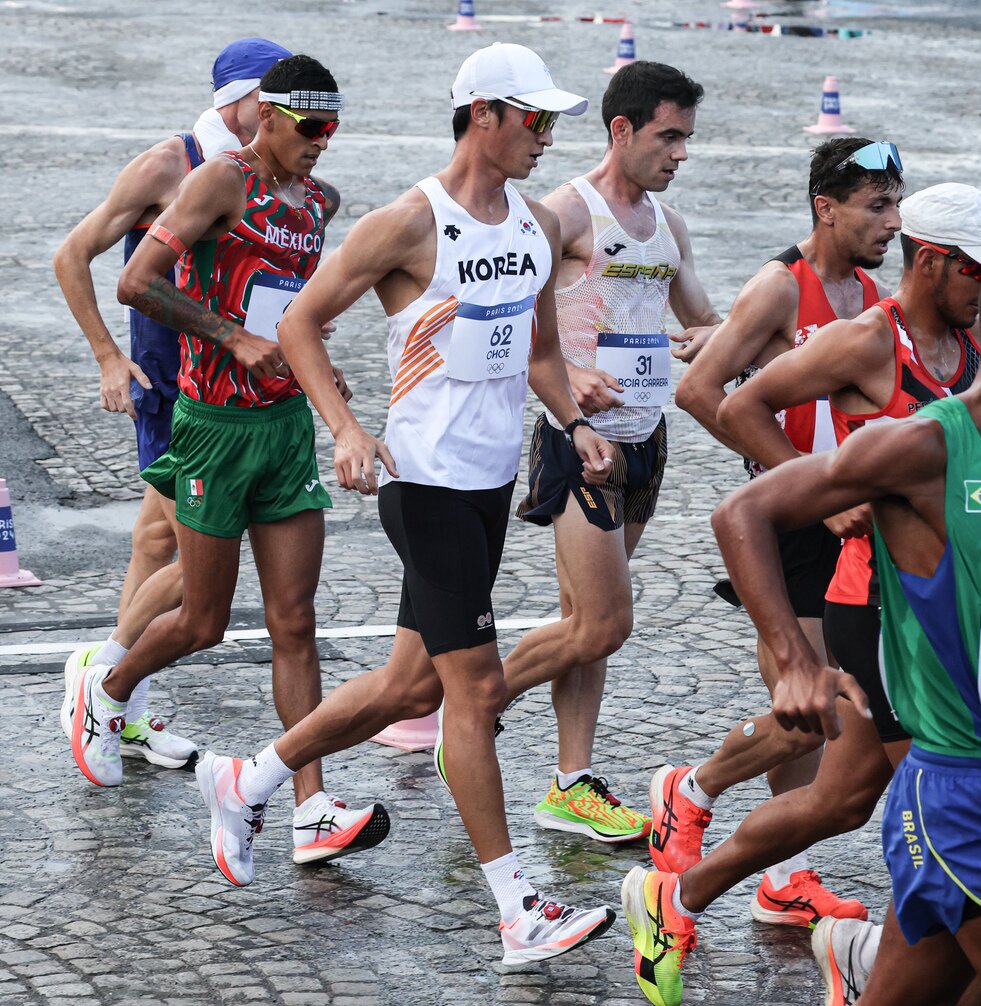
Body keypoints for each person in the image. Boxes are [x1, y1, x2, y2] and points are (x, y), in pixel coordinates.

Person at [624, 233, 981, 1006]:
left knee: (853, 832)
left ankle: (703, 897)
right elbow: (742, 510)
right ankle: (693, 846)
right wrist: (796, 662)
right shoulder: (922, 440)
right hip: (962, 802)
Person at [192, 43, 620, 964]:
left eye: (551, 122)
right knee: (478, 689)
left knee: (409, 685)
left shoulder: (539, 225)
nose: (547, 137)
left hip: (487, 486)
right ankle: (516, 911)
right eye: (535, 119)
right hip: (423, 486)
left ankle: (247, 779)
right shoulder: (410, 222)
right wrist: (347, 429)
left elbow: (541, 350)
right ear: (483, 116)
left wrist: (572, 420)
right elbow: (299, 321)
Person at [643, 182, 981, 947]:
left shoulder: (976, 344)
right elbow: (734, 406)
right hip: (876, 605)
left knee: (840, 800)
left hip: (943, 606)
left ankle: (677, 896)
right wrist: (818, 492)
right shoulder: (866, 340)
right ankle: (899, 964)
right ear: (932, 263)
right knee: (947, 799)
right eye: (976, 269)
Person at [66, 55, 383, 871]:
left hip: (284, 427)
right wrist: (231, 337)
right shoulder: (220, 182)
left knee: (295, 621)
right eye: (311, 126)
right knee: (204, 621)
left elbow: (294, 306)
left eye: (333, 128)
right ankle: (106, 689)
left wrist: (311, 360)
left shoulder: (319, 203)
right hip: (212, 424)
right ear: (266, 114)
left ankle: (310, 807)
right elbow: (136, 281)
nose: (323, 141)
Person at [654, 137, 901, 921]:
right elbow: (700, 391)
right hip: (794, 526)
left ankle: (783, 878)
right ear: (826, 208)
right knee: (820, 709)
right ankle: (690, 787)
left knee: (819, 722)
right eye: (877, 206)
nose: (893, 221)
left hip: (853, 525)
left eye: (896, 205)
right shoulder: (779, 286)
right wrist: (800, 482)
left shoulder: (869, 293)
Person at [53, 37, 295, 771]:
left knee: (158, 542)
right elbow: (72, 254)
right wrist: (108, 356)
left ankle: (121, 702)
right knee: (192, 559)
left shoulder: (272, 172)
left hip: (240, 395)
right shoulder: (172, 163)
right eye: (276, 101)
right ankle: (104, 679)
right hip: (179, 389)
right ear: (243, 101)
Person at [500, 60, 720, 844]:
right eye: (669, 137)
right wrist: (571, 378)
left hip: (644, 442)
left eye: (687, 139)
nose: (680, 154)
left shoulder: (668, 225)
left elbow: (703, 321)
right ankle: (477, 701)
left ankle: (571, 783)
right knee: (602, 624)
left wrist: (729, 339)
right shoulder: (565, 213)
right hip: (577, 442)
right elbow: (509, 324)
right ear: (621, 129)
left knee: (583, 624)